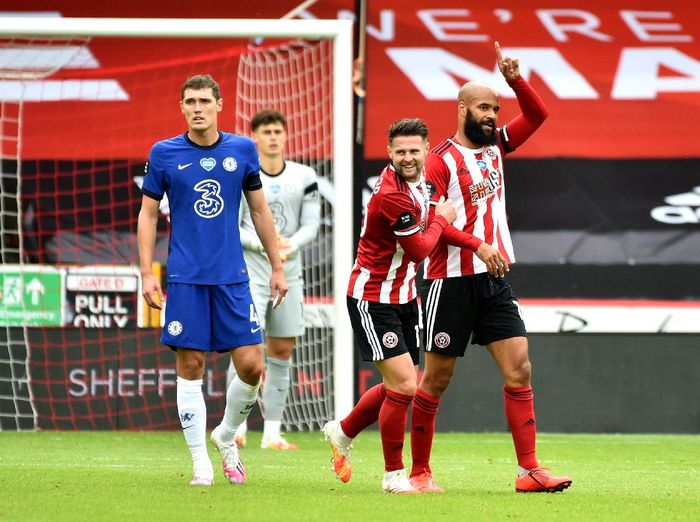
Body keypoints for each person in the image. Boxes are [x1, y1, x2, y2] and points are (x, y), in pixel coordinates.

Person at [409, 42, 573, 493]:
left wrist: (515, 79)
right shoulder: (439, 161)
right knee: (437, 378)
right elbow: (431, 225)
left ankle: (530, 471)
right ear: (462, 108)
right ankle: (419, 472)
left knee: (519, 367)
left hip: (493, 280)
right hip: (451, 282)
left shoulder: (498, 145)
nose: (492, 115)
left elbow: (538, 116)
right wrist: (477, 243)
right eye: (484, 107)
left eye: (495, 108)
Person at [137, 74, 288, 486]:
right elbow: (148, 214)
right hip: (185, 278)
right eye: (190, 101)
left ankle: (225, 435)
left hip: (232, 278)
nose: (197, 107)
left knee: (253, 365)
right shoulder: (164, 153)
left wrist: (277, 265)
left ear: (220, 104)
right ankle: (200, 461)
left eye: (205, 100)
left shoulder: (241, 149)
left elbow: (259, 211)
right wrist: (147, 272)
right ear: (182, 107)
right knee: (191, 365)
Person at [322, 118, 457, 494]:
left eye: (414, 150)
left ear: (426, 149)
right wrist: (444, 221)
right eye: (400, 152)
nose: (408, 158)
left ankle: (343, 431)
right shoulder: (390, 195)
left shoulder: (424, 181)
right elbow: (418, 249)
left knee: (400, 384)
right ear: (389, 153)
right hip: (372, 298)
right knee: (404, 385)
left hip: (404, 297)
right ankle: (393, 475)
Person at [228, 109, 321, 450]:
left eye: (277, 131)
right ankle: (235, 427)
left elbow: (311, 224)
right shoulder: (243, 174)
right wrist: (265, 245)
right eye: (265, 131)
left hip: (289, 270)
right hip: (250, 271)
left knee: (282, 349)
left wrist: (289, 245)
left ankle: (271, 433)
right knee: (245, 348)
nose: (272, 137)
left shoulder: (304, 175)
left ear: (285, 135)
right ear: (256, 136)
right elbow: (236, 225)